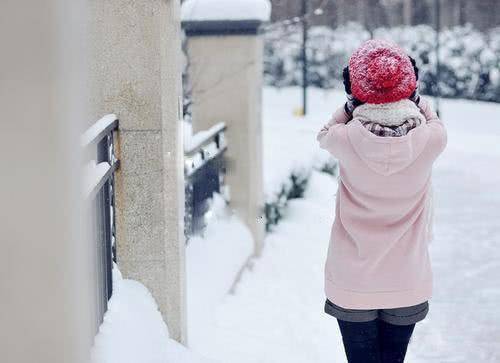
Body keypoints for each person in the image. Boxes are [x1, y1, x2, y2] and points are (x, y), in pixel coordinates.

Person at [317, 39, 447, 363]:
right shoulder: (431, 140)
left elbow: (324, 132)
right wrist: (415, 99)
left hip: (352, 284)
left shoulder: (344, 139)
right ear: (411, 88)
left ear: (353, 88)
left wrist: (350, 106)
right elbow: (433, 120)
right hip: (407, 282)